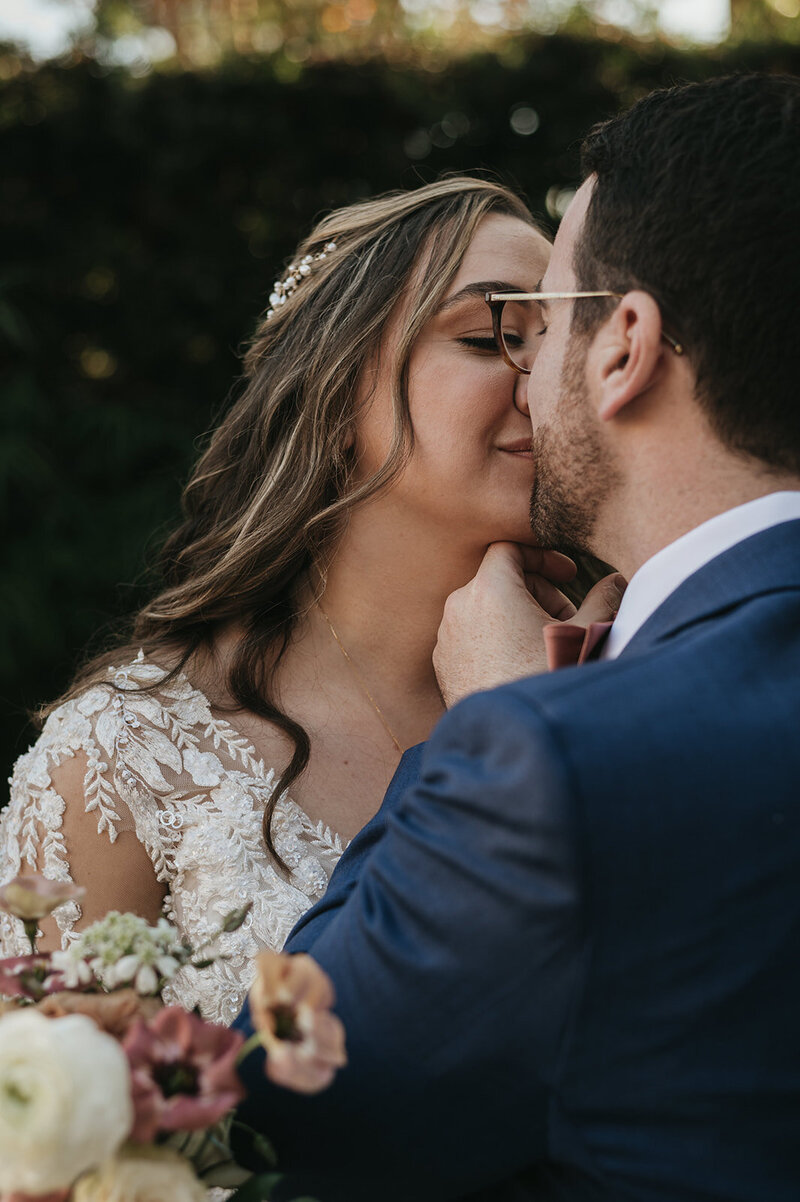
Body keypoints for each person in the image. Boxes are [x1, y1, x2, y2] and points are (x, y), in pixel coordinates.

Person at [234, 74, 800, 1201]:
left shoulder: (552, 758)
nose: (529, 370)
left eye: (543, 319)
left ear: (622, 346)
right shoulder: (132, 736)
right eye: (496, 327)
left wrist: (497, 721)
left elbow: (285, 1087)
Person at [0, 176, 617, 1024]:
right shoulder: (128, 761)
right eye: (494, 336)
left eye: (560, 345)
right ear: (330, 396)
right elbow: (50, 1120)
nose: (548, 385)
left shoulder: (627, 680)